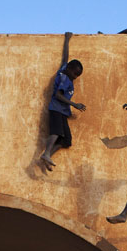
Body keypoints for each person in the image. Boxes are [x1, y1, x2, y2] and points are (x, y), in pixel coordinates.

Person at [40, 32, 86, 170]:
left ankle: (47, 156)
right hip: (56, 109)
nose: (75, 77)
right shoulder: (65, 79)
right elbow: (58, 95)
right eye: (75, 74)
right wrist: (74, 104)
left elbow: (65, 57)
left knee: (66, 140)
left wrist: (67, 39)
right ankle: (47, 152)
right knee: (56, 132)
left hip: (63, 112)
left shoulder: (63, 70)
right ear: (69, 70)